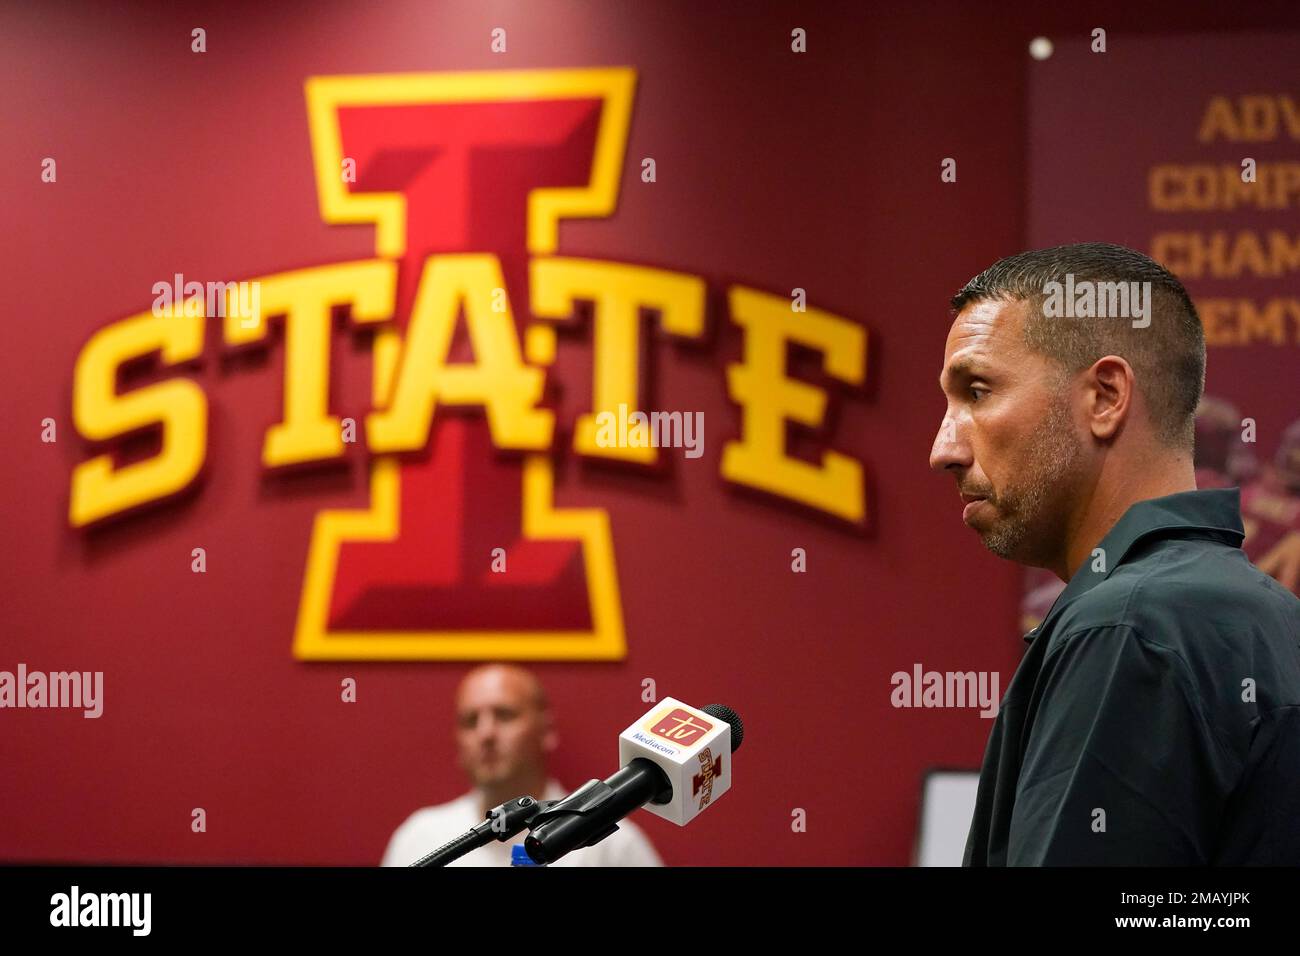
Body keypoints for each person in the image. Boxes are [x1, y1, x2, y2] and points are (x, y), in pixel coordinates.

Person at [930, 242, 1300, 865]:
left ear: (1104, 398)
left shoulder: (1126, 627)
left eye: (978, 391)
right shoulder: (1276, 619)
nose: (944, 448)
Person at [381, 664, 663, 867]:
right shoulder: (420, 838)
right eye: (470, 721)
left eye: (504, 715)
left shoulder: (610, 844)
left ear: (546, 730)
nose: (486, 734)